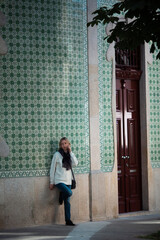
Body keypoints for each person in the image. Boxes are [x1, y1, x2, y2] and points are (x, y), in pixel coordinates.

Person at [49, 137, 78, 226]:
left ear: (68, 144)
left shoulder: (69, 154)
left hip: (68, 180)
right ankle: (61, 194)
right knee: (69, 193)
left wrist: (71, 152)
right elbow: (52, 168)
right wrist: (51, 181)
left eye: (65, 143)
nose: (63, 145)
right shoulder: (57, 155)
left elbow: (75, 163)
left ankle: (68, 220)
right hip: (59, 180)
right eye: (62, 144)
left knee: (67, 202)